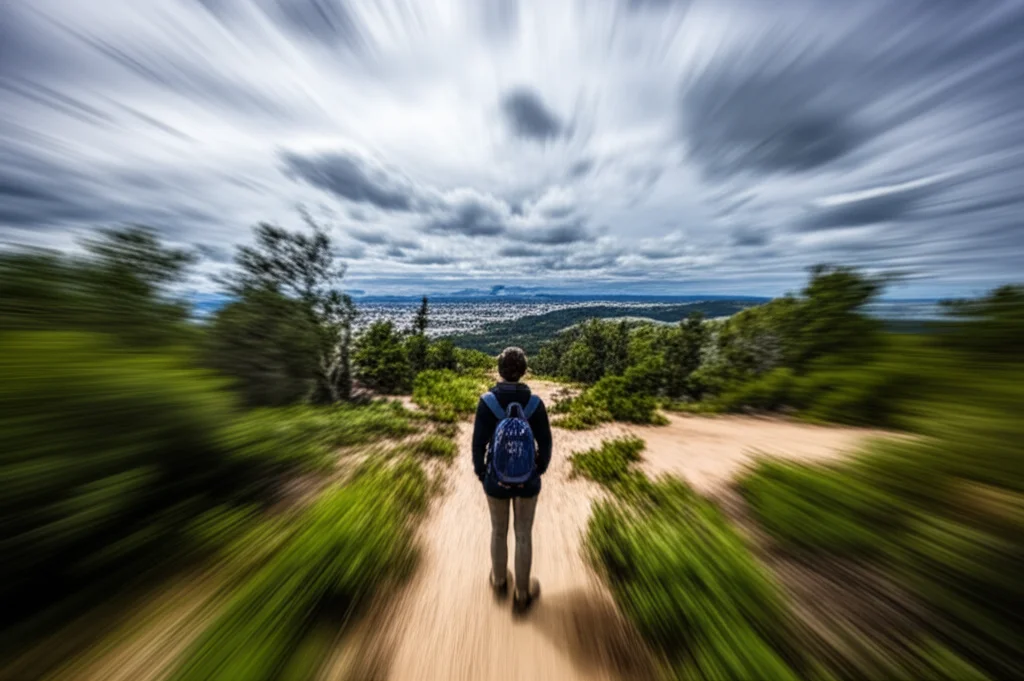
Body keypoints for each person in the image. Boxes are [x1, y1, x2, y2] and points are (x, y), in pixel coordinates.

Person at [471, 346, 552, 612]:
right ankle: (522, 595)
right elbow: (546, 445)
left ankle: (499, 583)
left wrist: (482, 473)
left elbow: (478, 444)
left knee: (498, 531)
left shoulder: (487, 403)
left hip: (496, 480)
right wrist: (537, 470)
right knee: (523, 534)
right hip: (527, 481)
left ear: (500, 371)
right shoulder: (535, 404)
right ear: (524, 371)